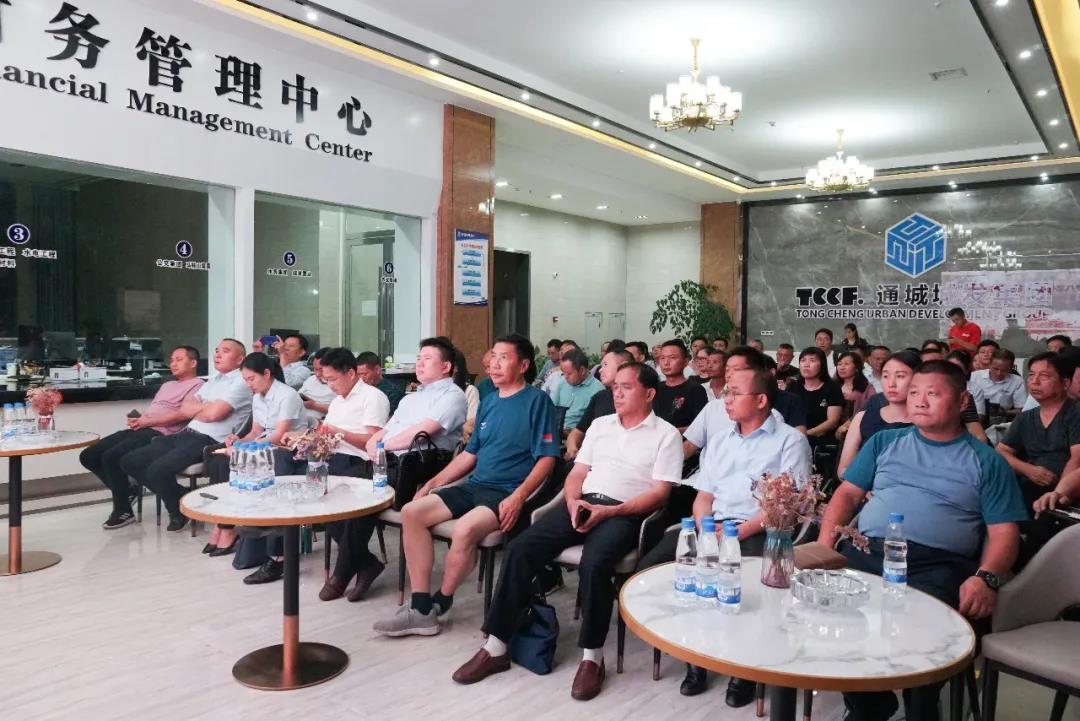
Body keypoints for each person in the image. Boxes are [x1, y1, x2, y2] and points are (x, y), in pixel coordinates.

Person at [452, 362, 683, 699]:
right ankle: (496, 645)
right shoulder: (601, 425)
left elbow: (660, 493)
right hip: (582, 502)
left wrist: (611, 511)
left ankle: (592, 657)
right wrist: (573, 501)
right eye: (615, 387)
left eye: (626, 387)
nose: (617, 393)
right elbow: (576, 473)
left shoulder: (666, 435)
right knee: (519, 548)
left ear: (648, 394)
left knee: (595, 562)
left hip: (624, 513)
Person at [817, 361, 1027, 721]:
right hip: (867, 551)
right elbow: (847, 494)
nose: (920, 401)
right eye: (914, 392)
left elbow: (1004, 532)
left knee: (927, 635)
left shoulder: (987, 461)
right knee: (826, 612)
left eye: (933, 393)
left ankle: (922, 705)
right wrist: (824, 546)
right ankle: (869, 703)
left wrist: (986, 576)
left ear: (962, 401)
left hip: (938, 565)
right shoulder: (884, 442)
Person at [638, 365, 812, 703]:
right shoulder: (720, 441)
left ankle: (742, 668)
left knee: (745, 586)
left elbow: (785, 507)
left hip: (758, 529)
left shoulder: (790, 441)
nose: (726, 399)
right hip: (712, 525)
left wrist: (734, 533)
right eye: (726, 392)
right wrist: (706, 529)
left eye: (734, 393)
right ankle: (695, 654)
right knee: (652, 569)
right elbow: (704, 497)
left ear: (760, 400)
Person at [372, 334, 558, 637]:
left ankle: (442, 600)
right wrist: (432, 482)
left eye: (503, 357)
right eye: (493, 356)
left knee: (464, 529)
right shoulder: (490, 402)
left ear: (523, 365)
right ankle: (421, 606)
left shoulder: (538, 402)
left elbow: (547, 459)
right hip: (474, 485)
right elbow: (470, 455)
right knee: (411, 512)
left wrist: (519, 497)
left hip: (505, 492)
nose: (494, 364)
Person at [316, 338, 467, 602]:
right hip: (391, 463)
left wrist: (381, 446)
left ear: (446, 366)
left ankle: (343, 572)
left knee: (359, 493)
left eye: (427, 359)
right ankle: (365, 564)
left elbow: (422, 432)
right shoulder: (412, 398)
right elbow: (386, 429)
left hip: (420, 469)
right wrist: (375, 444)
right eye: (418, 358)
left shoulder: (452, 396)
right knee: (335, 493)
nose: (419, 363)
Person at [250, 347, 391, 585]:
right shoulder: (338, 402)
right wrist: (301, 437)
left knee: (318, 496)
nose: (330, 386)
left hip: (359, 463)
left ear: (350, 373)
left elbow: (373, 442)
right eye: (326, 380)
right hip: (331, 459)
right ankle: (365, 564)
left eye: (333, 379)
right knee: (286, 468)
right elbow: (325, 435)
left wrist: (337, 432)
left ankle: (344, 572)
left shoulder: (373, 397)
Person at [120, 339, 251, 532]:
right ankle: (182, 496)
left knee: (157, 470)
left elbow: (214, 415)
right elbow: (186, 408)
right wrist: (207, 407)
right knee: (130, 461)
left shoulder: (242, 381)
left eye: (225, 351)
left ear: (240, 359)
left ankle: (177, 509)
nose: (217, 354)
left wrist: (202, 409)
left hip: (209, 440)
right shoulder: (214, 380)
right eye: (216, 350)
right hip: (186, 433)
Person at [80, 346, 204, 530]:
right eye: (171, 360)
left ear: (193, 363)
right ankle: (127, 490)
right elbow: (157, 409)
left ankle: (123, 510)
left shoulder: (198, 385)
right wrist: (140, 417)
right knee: (89, 455)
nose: (173, 364)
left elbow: (182, 416)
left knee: (112, 457)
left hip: (162, 434)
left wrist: (148, 421)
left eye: (179, 359)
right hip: (144, 427)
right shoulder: (168, 385)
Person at [212, 352, 306, 562]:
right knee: (221, 461)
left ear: (266, 373)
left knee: (253, 464)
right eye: (245, 380)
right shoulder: (257, 397)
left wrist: (246, 448)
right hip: (266, 446)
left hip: (289, 449)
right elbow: (256, 431)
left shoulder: (287, 395)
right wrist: (239, 440)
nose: (249, 385)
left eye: (251, 379)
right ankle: (226, 525)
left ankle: (273, 551)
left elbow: (279, 435)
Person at [996, 352, 1080, 508]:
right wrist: (1029, 470)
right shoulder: (1025, 418)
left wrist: (1060, 492)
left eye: (1044, 376)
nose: (1035, 382)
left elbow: (1077, 460)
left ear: (1065, 383)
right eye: (1031, 375)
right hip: (1029, 489)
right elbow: (1001, 451)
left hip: (1067, 495)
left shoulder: (1075, 413)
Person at [836, 350, 920, 478]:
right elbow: (843, 470)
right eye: (885, 376)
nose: (891, 383)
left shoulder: (926, 422)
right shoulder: (862, 418)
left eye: (900, 376)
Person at [564, 348, 632, 461]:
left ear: (624, 366)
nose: (600, 370)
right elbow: (577, 432)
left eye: (606, 365)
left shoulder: (637, 399)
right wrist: (572, 449)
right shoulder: (600, 397)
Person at [787, 347, 843, 448]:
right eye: (803, 360)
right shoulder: (792, 387)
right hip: (791, 437)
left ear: (822, 365)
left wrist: (805, 433)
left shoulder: (832, 388)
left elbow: (833, 421)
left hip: (819, 440)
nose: (806, 364)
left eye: (812, 360)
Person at [654, 339, 708, 432]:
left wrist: (670, 432)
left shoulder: (695, 389)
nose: (666, 363)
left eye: (672, 358)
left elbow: (700, 426)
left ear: (685, 362)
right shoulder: (655, 389)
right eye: (662, 358)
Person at [553, 347, 604, 433]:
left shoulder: (598, 390)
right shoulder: (562, 384)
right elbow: (552, 410)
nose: (565, 377)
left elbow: (597, 425)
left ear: (582, 370)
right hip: (556, 432)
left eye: (569, 373)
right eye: (563, 373)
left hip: (579, 436)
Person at [971, 348, 1027, 418]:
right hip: (974, 415)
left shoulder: (1017, 381)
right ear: (989, 364)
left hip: (1001, 418)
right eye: (995, 369)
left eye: (1004, 370)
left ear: (1011, 368)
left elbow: (1021, 409)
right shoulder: (975, 377)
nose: (998, 373)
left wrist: (1005, 413)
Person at [298, 347, 336, 426]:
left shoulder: (339, 383)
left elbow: (341, 411)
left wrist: (314, 405)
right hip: (298, 419)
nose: (318, 374)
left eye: (321, 370)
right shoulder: (311, 379)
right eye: (315, 369)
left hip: (320, 423)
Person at [357, 351, 404, 415]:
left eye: (365, 374)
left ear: (377, 370)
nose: (361, 379)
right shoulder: (357, 390)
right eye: (359, 375)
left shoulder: (393, 393)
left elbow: (391, 418)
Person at [835, 351, 876, 416]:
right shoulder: (833, 386)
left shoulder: (867, 388)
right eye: (839, 364)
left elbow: (871, 410)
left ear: (857, 368)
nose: (842, 368)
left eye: (846, 364)